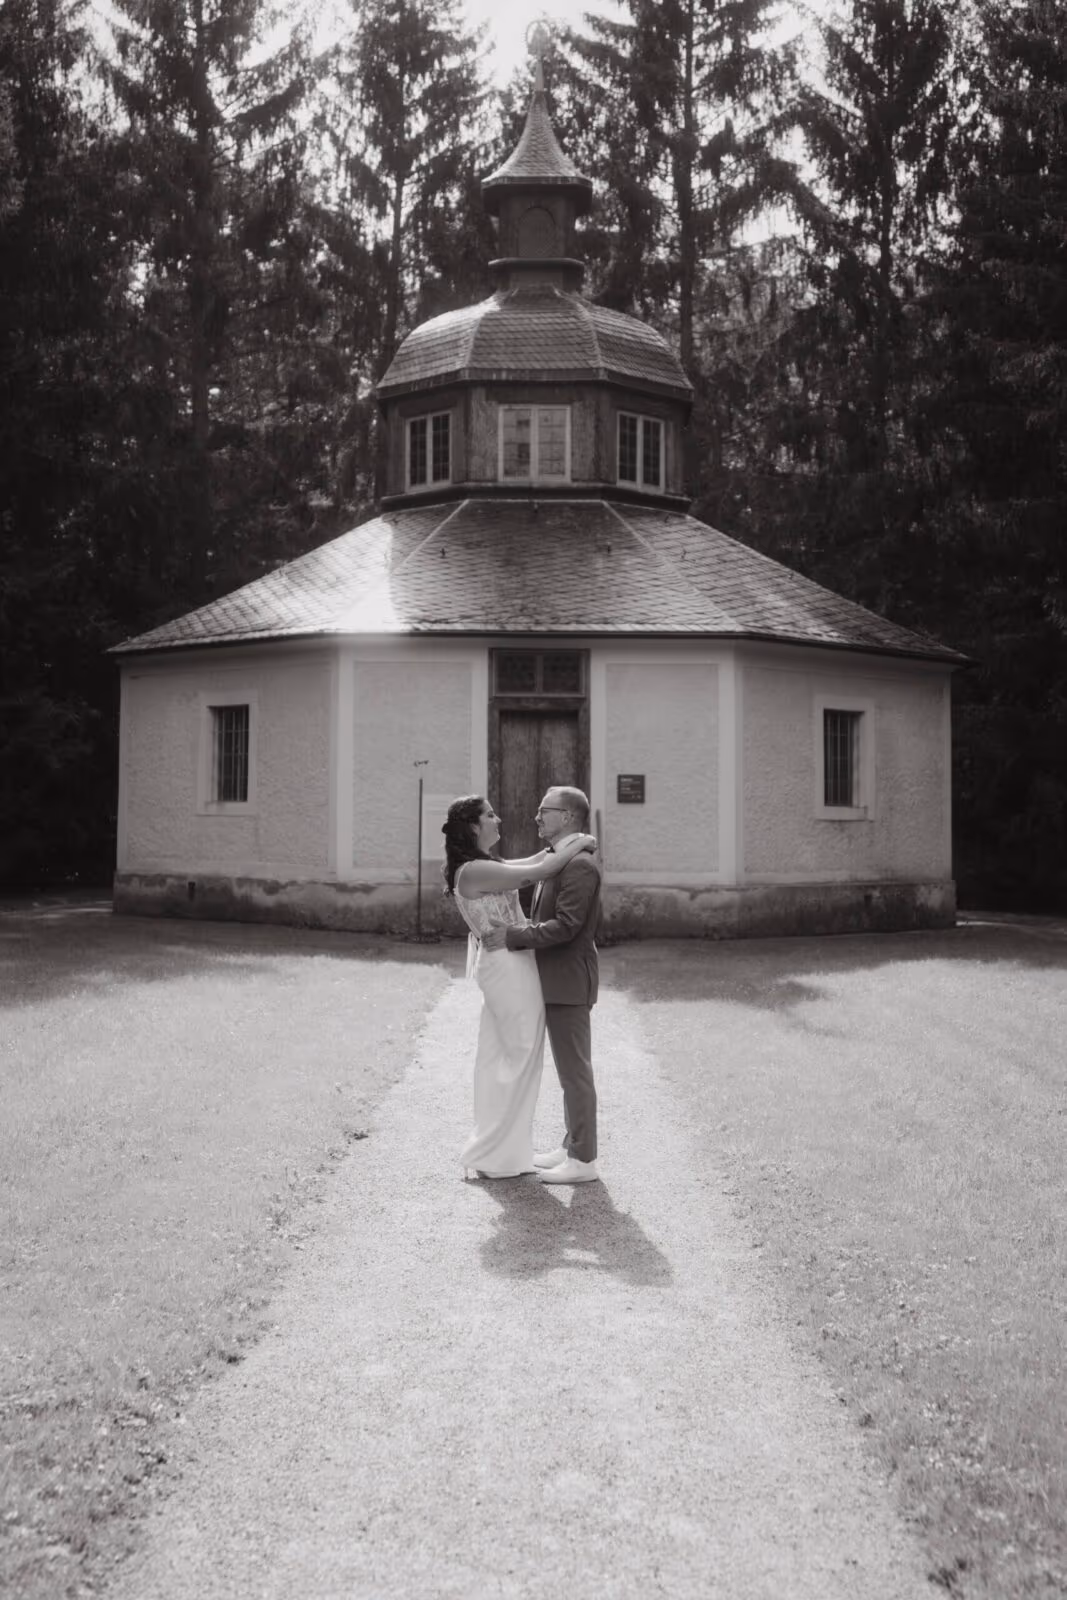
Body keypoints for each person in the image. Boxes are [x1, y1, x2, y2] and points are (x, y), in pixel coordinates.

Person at [441, 795, 596, 1181]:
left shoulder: (487, 865)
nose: (500, 818)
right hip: (506, 966)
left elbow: (532, 864)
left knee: (501, 1057)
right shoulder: (473, 870)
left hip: (511, 963)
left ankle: (499, 1150)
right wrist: (580, 842)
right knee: (520, 1058)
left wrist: (569, 843)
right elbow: (537, 871)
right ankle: (502, 1154)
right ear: (474, 826)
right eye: (490, 815)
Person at [482, 786, 603, 1186]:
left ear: (567, 817)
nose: (536, 817)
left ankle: (584, 1161)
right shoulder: (560, 859)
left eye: (544, 811)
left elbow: (567, 927)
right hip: (554, 981)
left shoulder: (579, 866)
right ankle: (572, 1145)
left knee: (575, 1073)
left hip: (568, 982)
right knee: (569, 1072)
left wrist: (515, 935)